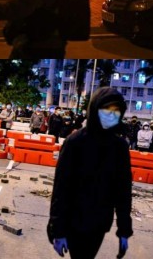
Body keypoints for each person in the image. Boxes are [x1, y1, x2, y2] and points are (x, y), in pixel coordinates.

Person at [47, 87, 132, 259]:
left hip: (100, 222)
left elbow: (123, 191)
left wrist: (124, 230)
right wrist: (58, 230)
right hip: (74, 220)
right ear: (95, 110)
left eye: (116, 111)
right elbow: (61, 189)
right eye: (107, 110)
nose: (111, 115)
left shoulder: (120, 147)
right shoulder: (75, 142)